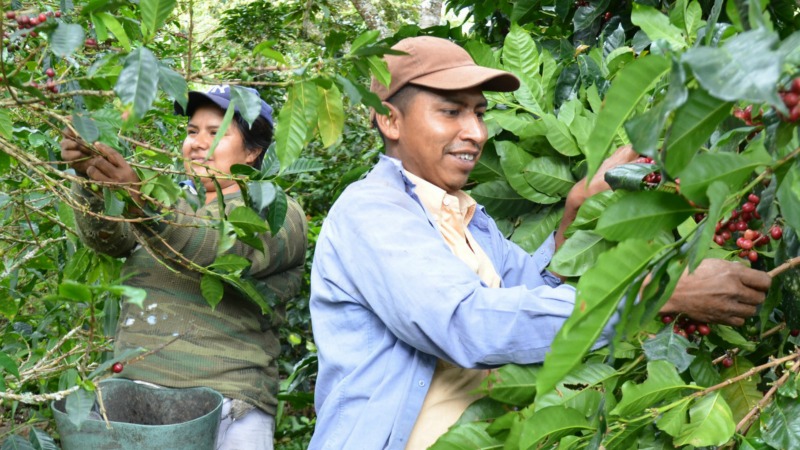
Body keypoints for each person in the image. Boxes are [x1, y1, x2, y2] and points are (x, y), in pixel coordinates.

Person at [308, 36, 773, 449]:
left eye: (479, 112)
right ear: (390, 120)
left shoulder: (467, 217)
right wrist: (660, 294)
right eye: (451, 111)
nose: (476, 132)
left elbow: (536, 292)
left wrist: (575, 212)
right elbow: (468, 325)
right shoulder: (372, 212)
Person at [60, 85, 308, 450]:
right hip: (135, 404)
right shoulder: (168, 199)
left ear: (253, 150)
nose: (198, 143)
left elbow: (215, 248)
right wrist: (90, 181)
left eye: (216, 132)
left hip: (228, 409)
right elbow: (110, 241)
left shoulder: (275, 211)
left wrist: (141, 204)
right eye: (192, 131)